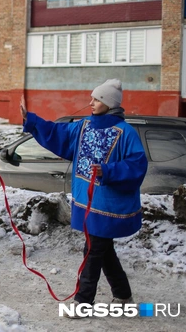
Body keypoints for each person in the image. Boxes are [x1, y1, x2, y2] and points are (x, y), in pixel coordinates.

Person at [20, 79, 148, 318]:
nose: (91, 102)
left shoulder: (126, 132)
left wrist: (108, 171)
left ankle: (83, 302)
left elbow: (137, 165)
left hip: (109, 205)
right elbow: (58, 134)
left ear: (109, 103)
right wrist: (32, 120)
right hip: (86, 201)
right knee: (103, 250)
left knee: (92, 251)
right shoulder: (84, 126)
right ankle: (123, 296)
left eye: (97, 99)